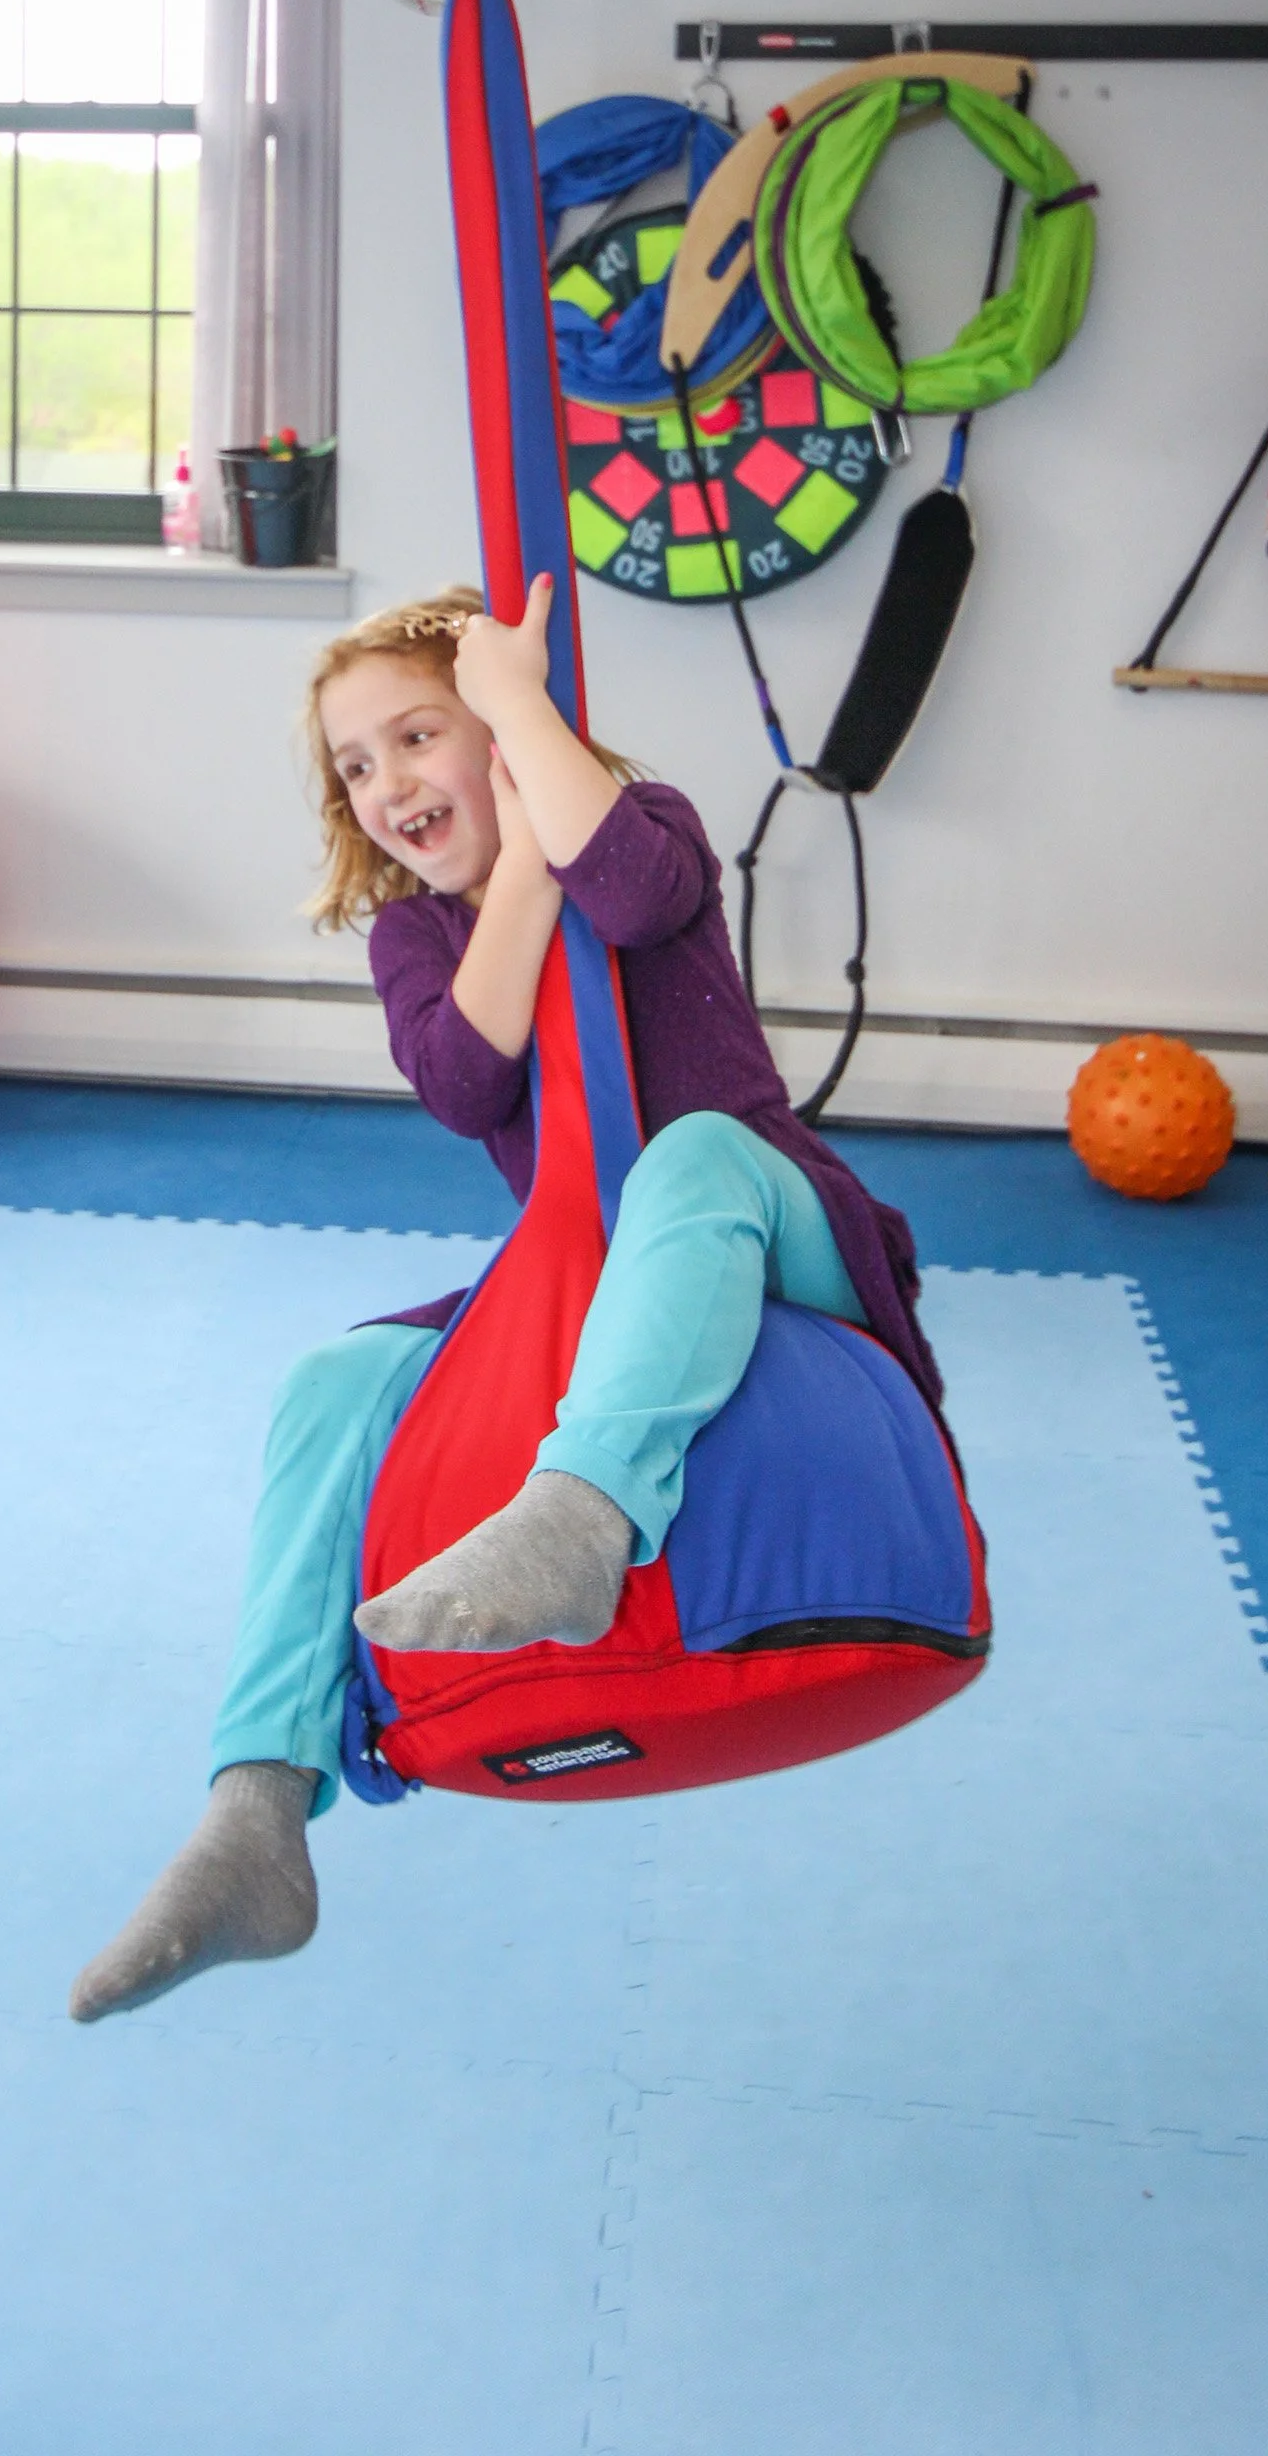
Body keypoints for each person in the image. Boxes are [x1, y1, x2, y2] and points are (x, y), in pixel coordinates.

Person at [69, 578, 939, 2024]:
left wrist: (535, 727)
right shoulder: (417, 938)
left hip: (779, 1235)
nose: (389, 783)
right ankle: (259, 1804)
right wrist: (514, 872)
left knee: (698, 1153)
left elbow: (642, 896)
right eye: (357, 767)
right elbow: (467, 1080)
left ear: (497, 733)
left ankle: (586, 1517)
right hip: (593, 1277)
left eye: (419, 736)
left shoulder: (635, 825)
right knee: (331, 1386)